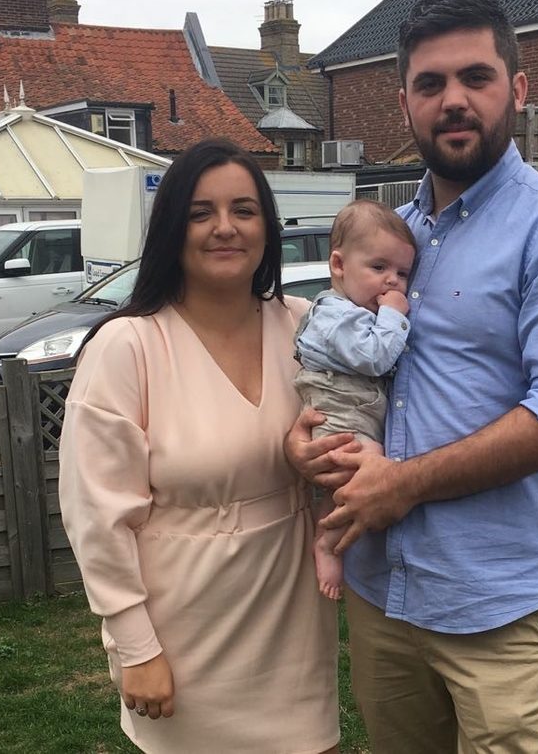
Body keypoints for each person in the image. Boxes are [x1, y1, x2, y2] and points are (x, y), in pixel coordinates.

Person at [286, 0, 538, 753]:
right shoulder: (392, 238)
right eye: (430, 84)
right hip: (384, 594)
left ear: (515, 89)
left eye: (475, 78)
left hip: (500, 611)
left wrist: (401, 484)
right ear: (404, 102)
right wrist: (302, 439)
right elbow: (334, 355)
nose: (453, 101)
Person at [59, 139, 339, 754]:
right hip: (183, 635)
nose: (224, 228)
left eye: (243, 209)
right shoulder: (127, 347)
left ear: (267, 225)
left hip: (291, 628)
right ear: (171, 229)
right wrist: (136, 647)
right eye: (200, 212)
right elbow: (96, 518)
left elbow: (364, 424)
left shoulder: (307, 325)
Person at [293, 199, 416, 600]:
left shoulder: (353, 312)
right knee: (367, 467)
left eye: (402, 273)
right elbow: (375, 356)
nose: (392, 282)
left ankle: (335, 533)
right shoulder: (338, 315)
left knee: (363, 471)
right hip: (338, 413)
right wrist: (395, 314)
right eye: (379, 268)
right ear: (339, 265)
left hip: (350, 409)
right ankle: (327, 540)